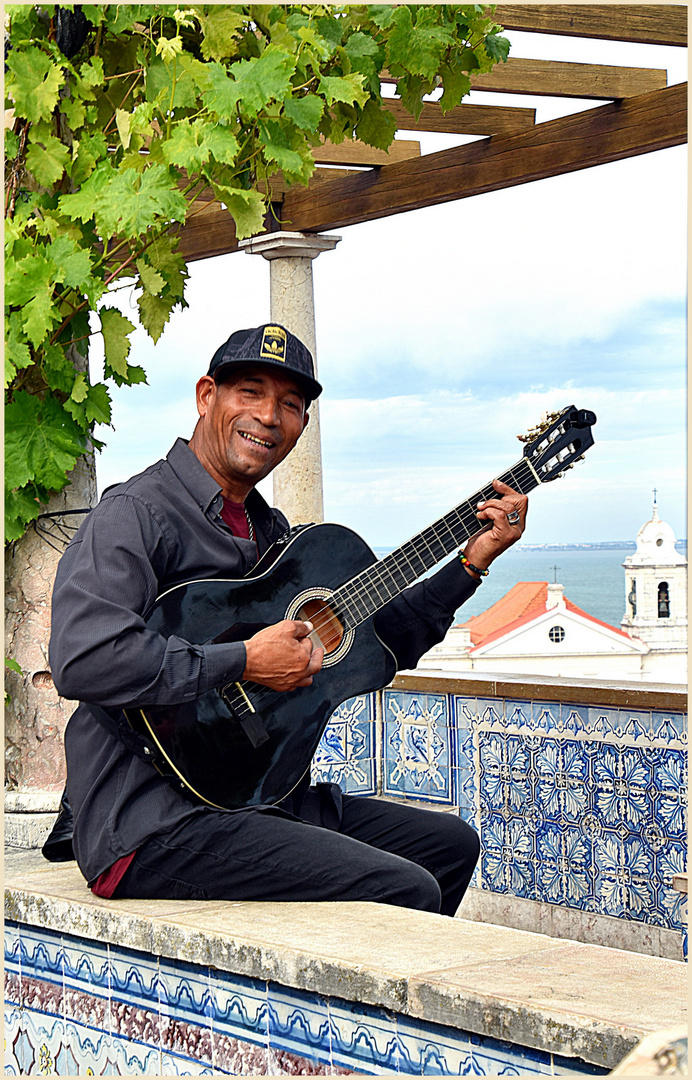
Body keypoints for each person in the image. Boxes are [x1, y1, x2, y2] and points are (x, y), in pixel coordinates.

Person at [48, 323, 528, 914]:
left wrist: (470, 565)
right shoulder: (136, 515)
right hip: (152, 821)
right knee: (406, 887)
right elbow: (84, 659)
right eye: (250, 391)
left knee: (448, 846)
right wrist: (245, 661)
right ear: (206, 397)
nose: (270, 416)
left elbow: (380, 645)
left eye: (291, 404)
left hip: (257, 793)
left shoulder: (273, 535)